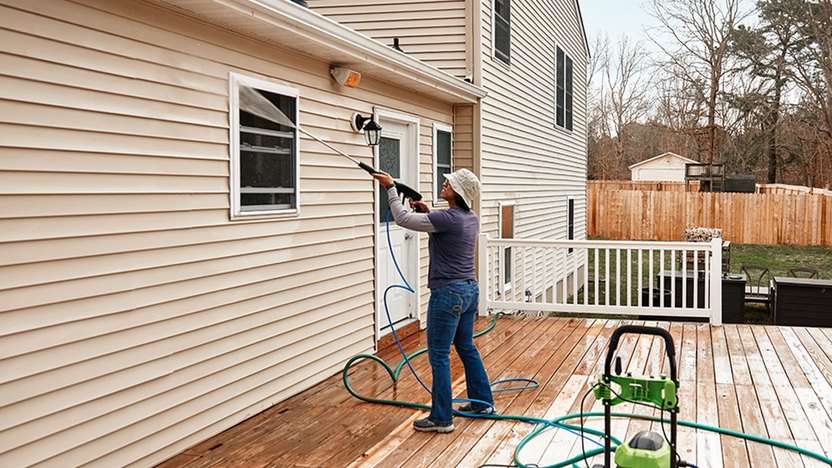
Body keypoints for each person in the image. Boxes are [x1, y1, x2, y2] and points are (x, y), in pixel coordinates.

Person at [370, 168, 494, 433]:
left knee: (439, 354)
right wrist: (427, 212)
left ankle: (441, 418)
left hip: (448, 294)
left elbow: (402, 218)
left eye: (449, 182)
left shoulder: (447, 218)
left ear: (458, 192)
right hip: (469, 290)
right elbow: (444, 228)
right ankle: (482, 403)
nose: (444, 182)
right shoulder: (469, 218)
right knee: (466, 346)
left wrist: (390, 188)